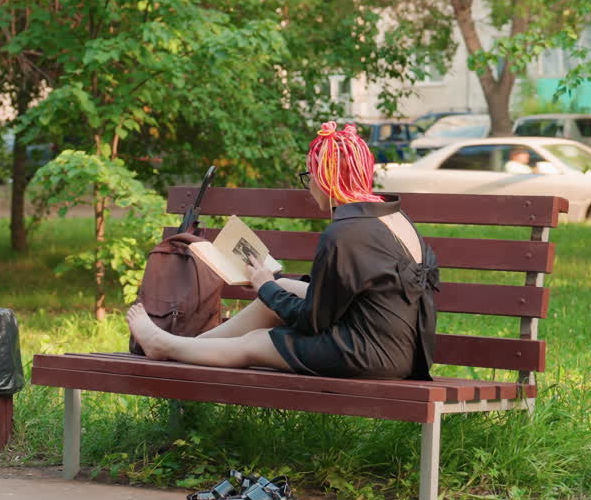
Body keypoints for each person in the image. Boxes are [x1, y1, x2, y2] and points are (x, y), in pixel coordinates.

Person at [126, 122, 439, 380]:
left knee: (257, 342)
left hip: (370, 354)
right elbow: (352, 293)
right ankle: (185, 347)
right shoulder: (394, 217)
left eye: (310, 177)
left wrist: (265, 287)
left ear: (325, 179)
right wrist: (273, 287)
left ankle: (163, 346)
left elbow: (313, 322)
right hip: (400, 347)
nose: (310, 186)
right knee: (286, 287)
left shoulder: (345, 233)